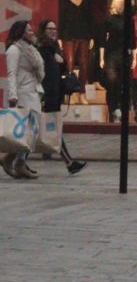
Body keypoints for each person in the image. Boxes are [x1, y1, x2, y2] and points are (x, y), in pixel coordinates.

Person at [36, 20, 86, 175]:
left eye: (54, 28)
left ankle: (68, 162)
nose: (52, 31)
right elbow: (45, 74)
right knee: (44, 129)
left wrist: (62, 61)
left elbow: (61, 69)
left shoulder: (55, 48)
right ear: (43, 30)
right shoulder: (43, 49)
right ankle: (69, 163)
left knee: (46, 129)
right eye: (49, 28)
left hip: (55, 94)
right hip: (47, 94)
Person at [4, 20, 44, 179]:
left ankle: (12, 160)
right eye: (28, 30)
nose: (32, 31)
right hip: (23, 94)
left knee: (32, 132)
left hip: (34, 92)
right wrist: (13, 96)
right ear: (20, 32)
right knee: (26, 133)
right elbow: (11, 74)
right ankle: (15, 161)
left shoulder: (31, 49)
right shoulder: (14, 49)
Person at [102, 0, 126, 121]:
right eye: (119, 3)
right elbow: (102, 38)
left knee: (121, 83)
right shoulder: (109, 19)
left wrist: (133, 54)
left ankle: (119, 109)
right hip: (111, 54)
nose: (121, 6)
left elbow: (132, 40)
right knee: (112, 83)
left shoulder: (128, 20)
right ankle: (112, 109)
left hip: (123, 55)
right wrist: (101, 57)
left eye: (123, 3)